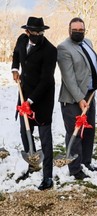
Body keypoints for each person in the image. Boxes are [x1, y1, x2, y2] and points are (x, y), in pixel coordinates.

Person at [11, 17, 56, 190]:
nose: (38, 35)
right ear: (27, 32)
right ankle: (32, 163)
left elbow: (46, 79)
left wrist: (30, 101)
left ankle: (48, 176)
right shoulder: (22, 40)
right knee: (25, 132)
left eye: (40, 32)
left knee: (45, 138)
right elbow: (16, 53)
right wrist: (15, 69)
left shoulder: (50, 50)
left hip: (42, 98)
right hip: (24, 93)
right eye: (34, 32)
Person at [57, 17, 97, 180]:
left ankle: (86, 161)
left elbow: (94, 65)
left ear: (85, 30)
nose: (78, 32)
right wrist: (79, 99)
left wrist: (96, 84)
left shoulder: (88, 42)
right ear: (69, 30)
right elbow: (68, 78)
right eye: (75, 30)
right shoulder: (63, 48)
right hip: (73, 99)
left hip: (89, 94)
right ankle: (75, 169)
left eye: (81, 30)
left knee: (89, 130)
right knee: (75, 133)